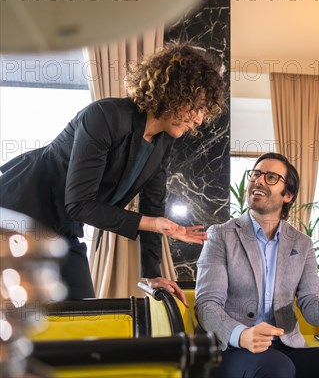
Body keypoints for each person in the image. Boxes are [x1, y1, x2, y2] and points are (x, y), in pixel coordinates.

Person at [0, 42, 225, 303]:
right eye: (196, 107)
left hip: (63, 227)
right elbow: (79, 204)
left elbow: (153, 206)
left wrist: (151, 274)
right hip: (15, 214)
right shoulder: (104, 116)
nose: (199, 120)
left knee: (85, 314)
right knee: (15, 317)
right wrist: (149, 223)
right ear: (174, 92)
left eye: (204, 111)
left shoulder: (163, 142)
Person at [195, 153, 319, 378]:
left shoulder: (302, 243)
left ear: (288, 195)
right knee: (276, 367)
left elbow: (309, 303)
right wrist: (242, 335)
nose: (258, 181)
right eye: (256, 174)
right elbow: (206, 305)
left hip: (286, 348)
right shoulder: (221, 235)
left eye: (271, 177)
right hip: (233, 349)